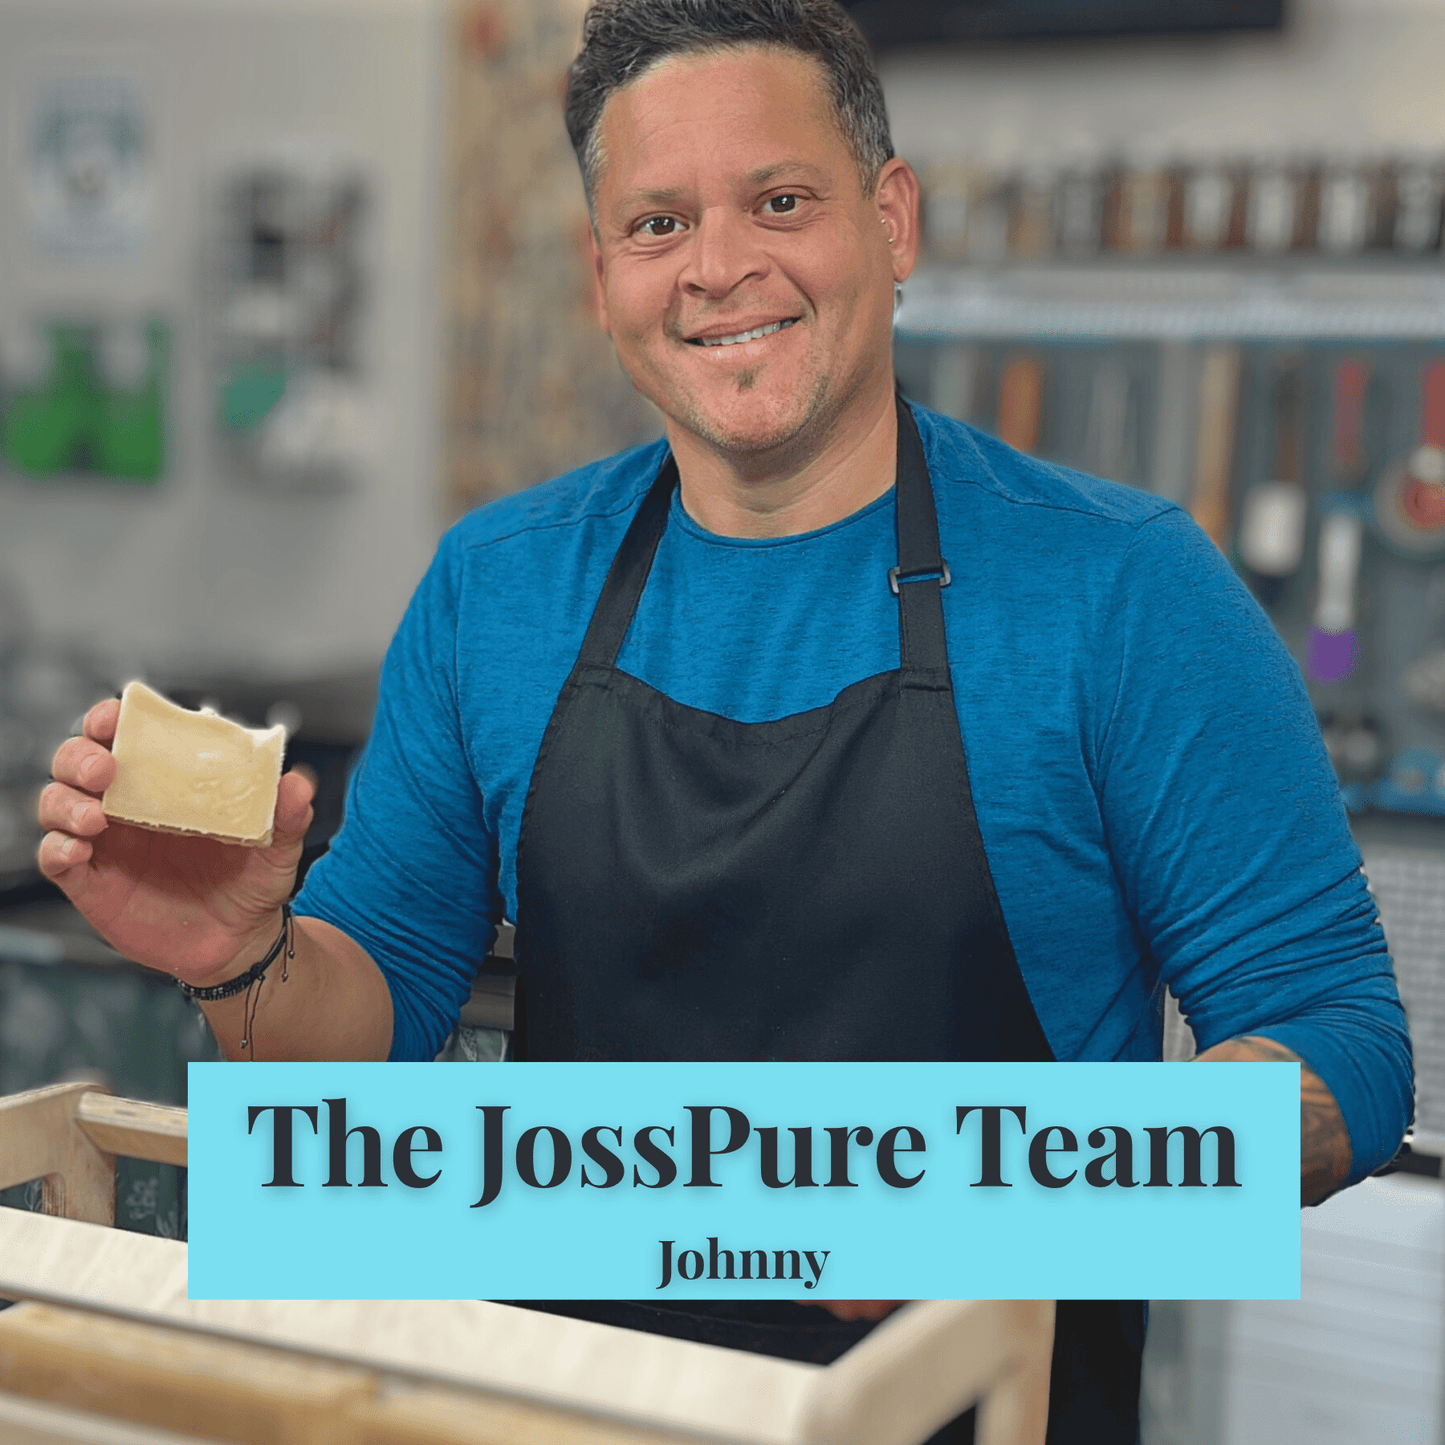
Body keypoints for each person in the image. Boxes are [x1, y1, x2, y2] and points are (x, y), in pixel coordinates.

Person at [39, 1, 1411, 1439]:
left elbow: (1347, 1051)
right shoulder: (498, 591)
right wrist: (243, 957)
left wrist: (1011, 1190)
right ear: (600, 273)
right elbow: (363, 1041)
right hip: (563, 1411)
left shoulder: (1122, 593)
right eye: (656, 224)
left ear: (892, 220)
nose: (718, 269)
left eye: (779, 201)